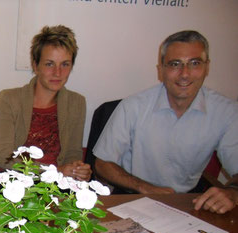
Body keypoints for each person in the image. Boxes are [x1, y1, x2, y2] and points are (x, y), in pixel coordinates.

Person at [93, 30, 238, 214]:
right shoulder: (133, 106)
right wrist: (145, 188)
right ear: (161, 70)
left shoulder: (227, 112)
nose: (185, 74)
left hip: (188, 201)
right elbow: (103, 163)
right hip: (133, 195)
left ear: (207, 67)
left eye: (194, 63)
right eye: (175, 64)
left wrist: (233, 193)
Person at [0, 25, 91, 182]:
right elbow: (3, 157)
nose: (58, 73)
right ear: (35, 66)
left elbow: (72, 153)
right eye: (49, 64)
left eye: (65, 64)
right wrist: (55, 172)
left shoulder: (77, 103)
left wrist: (77, 169)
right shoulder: (9, 99)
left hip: (57, 186)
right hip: (15, 182)